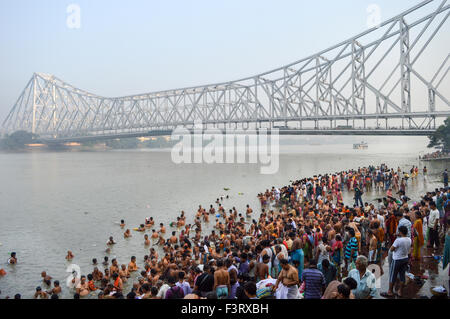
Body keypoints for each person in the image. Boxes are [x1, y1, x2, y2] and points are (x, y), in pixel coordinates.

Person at [382, 225, 411, 298]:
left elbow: (391, 249)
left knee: (392, 275)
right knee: (402, 275)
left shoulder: (398, 240)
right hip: (405, 258)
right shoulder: (409, 239)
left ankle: (390, 291)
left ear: (400, 232)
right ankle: (400, 291)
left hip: (397, 259)